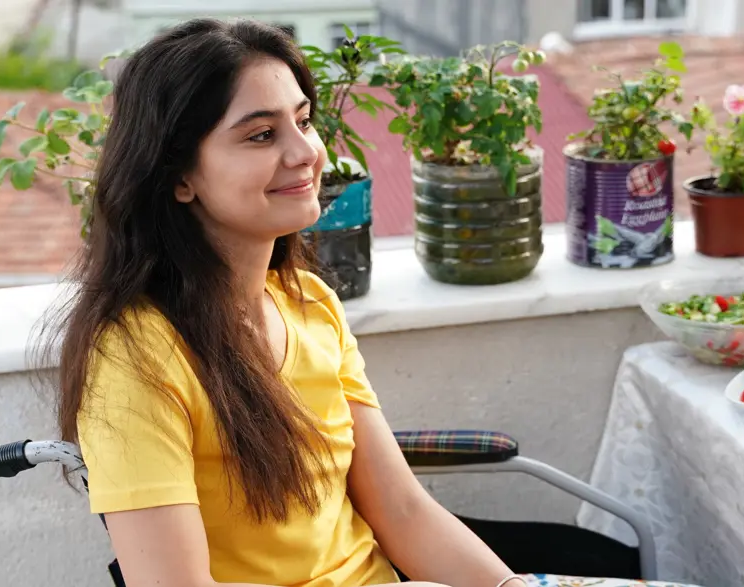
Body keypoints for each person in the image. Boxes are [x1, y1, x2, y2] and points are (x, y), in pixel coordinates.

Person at [51, 17, 529, 587]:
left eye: (303, 122)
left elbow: (402, 511)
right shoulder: (135, 358)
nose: (305, 152)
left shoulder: (310, 304)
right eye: (261, 135)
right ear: (180, 178)